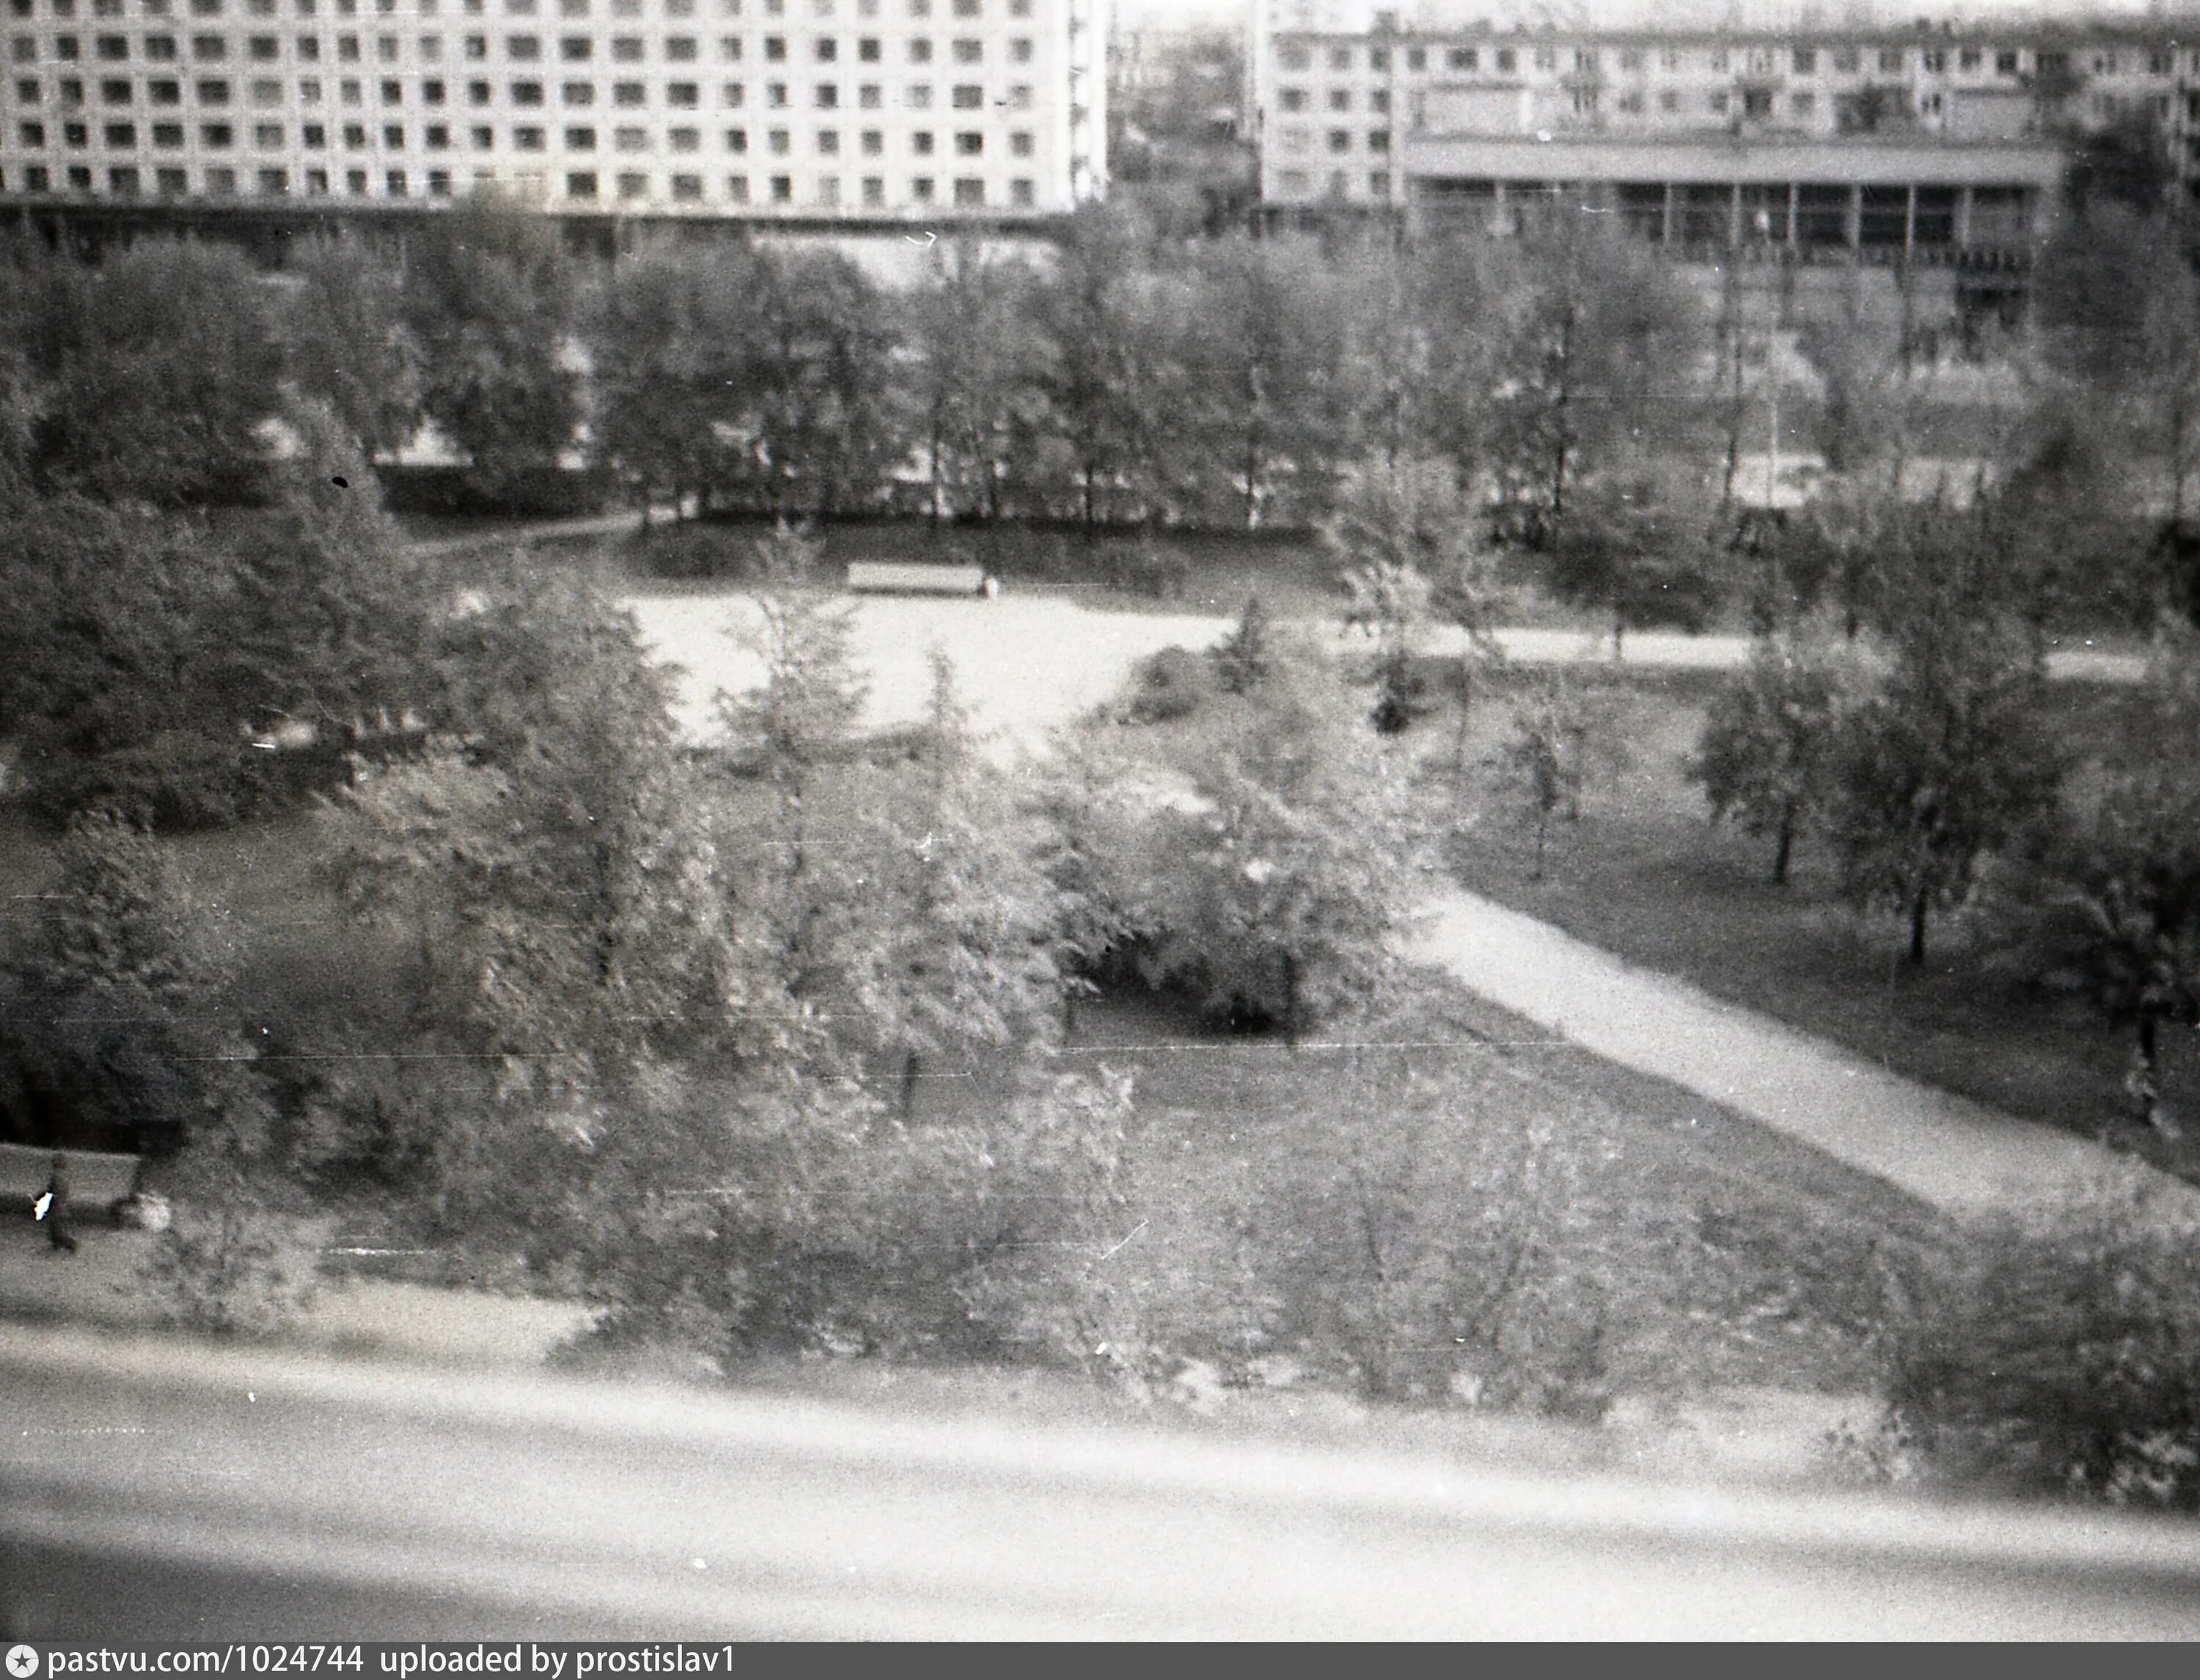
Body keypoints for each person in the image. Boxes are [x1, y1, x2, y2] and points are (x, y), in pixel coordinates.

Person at [40, 1151, 78, 1255]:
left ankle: (71, 1245)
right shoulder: (65, 1178)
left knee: (57, 1232)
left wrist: (41, 1198)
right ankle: (55, 1250)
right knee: (55, 1231)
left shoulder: (56, 1177)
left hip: (57, 1209)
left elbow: (51, 1191)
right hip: (63, 1208)